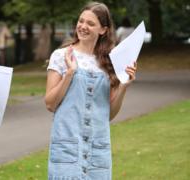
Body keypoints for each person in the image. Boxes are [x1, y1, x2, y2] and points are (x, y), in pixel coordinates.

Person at [45, 2, 137, 179]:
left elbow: (108, 115)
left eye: (90, 23)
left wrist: (124, 85)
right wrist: (70, 73)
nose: (83, 26)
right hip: (67, 150)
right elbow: (50, 104)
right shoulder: (61, 56)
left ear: (103, 30)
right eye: (81, 21)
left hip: (98, 151)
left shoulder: (111, 63)